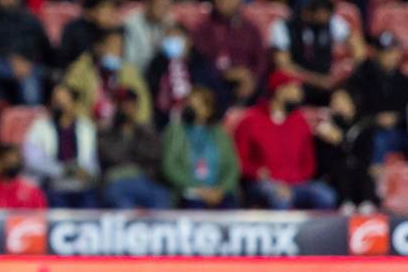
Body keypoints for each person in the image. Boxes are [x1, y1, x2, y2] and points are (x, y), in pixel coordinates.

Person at [235, 69, 338, 209]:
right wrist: (256, 172)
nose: (299, 94)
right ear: (279, 91)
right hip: (263, 184)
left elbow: (309, 163)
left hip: (296, 184)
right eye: (294, 88)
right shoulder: (251, 121)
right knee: (279, 197)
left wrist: (294, 180)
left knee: (326, 196)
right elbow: (239, 161)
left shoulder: (300, 122)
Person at [270, 0, 363, 105]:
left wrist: (355, 67)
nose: (324, 21)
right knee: (291, 90)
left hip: (327, 84)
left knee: (347, 93)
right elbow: (284, 65)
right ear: (308, 13)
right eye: (321, 18)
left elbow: (357, 46)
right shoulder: (283, 26)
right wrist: (316, 80)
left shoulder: (331, 22)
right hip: (299, 82)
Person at [161, 86, 242, 208]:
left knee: (230, 207)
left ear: (209, 109)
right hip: (189, 192)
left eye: (198, 105)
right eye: (190, 104)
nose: (193, 109)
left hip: (218, 193)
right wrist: (197, 188)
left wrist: (220, 190)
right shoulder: (176, 132)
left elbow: (232, 168)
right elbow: (170, 166)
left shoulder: (220, 134)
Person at [192, 0, 267, 106]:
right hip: (218, 81)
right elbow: (202, 60)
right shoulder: (204, 28)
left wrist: (250, 78)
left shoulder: (251, 29)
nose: (220, 0)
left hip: (248, 81)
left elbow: (261, 61)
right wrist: (228, 73)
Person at [24, 84, 100, 207]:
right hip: (53, 184)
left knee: (90, 204)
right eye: (56, 102)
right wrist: (64, 171)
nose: (60, 106)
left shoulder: (85, 127)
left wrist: (88, 173)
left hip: (81, 186)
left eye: (63, 101)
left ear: (73, 104)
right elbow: (32, 161)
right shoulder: (40, 127)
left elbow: (92, 162)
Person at [97, 87, 170, 208]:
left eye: (130, 105)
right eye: (123, 105)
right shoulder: (107, 133)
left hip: (142, 180)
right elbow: (111, 157)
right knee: (123, 203)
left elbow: (153, 157)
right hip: (116, 181)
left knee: (161, 196)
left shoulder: (145, 132)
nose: (127, 109)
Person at [146, 21, 228, 127]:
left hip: (200, 124)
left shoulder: (201, 65)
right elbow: (151, 94)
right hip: (164, 125)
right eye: (169, 39)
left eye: (176, 38)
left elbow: (217, 97)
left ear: (188, 41)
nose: (172, 42)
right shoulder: (157, 65)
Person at [64, 27, 152, 127]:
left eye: (120, 47)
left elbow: (143, 104)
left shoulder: (129, 71)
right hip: (90, 125)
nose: (116, 52)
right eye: (112, 46)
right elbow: (69, 95)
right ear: (98, 47)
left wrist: (135, 122)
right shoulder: (83, 68)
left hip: (119, 128)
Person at [345, 31, 408, 167]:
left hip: (398, 132)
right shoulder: (364, 76)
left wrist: (397, 118)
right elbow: (354, 105)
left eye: (392, 52)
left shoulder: (403, 81)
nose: (389, 57)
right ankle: (375, 183)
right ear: (376, 54)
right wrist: (376, 118)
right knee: (378, 140)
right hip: (370, 130)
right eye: (385, 52)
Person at [314, 89, 379, 212]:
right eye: (334, 102)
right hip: (335, 176)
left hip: (359, 174)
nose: (338, 105)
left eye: (342, 101)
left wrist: (341, 141)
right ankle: (345, 203)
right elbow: (324, 161)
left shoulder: (364, 126)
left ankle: (367, 203)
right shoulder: (325, 128)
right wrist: (333, 141)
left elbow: (365, 154)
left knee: (360, 169)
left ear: (352, 103)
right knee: (342, 167)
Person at [0, 143, 48, 208]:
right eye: (7, 160)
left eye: (14, 160)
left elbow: (41, 220)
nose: (11, 164)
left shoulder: (32, 191)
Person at [58, 0, 120, 67]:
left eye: (111, 7)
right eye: (104, 7)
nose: (109, 12)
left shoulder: (115, 30)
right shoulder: (76, 31)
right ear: (89, 12)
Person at [123, 0, 176, 74]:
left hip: (158, 74)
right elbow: (130, 60)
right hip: (136, 72)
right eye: (160, 5)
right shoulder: (131, 23)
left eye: (166, 5)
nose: (163, 9)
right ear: (148, 4)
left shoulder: (169, 23)